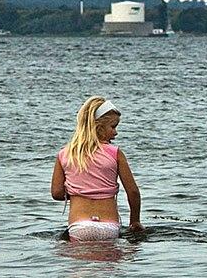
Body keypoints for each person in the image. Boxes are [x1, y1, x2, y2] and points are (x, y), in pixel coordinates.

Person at [51, 97, 142, 239]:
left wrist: (79, 192)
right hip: (109, 227)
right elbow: (133, 192)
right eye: (113, 127)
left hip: (79, 227)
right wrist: (135, 221)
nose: (116, 132)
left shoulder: (64, 154)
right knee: (110, 259)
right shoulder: (115, 153)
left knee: (78, 259)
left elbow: (56, 193)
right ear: (98, 128)